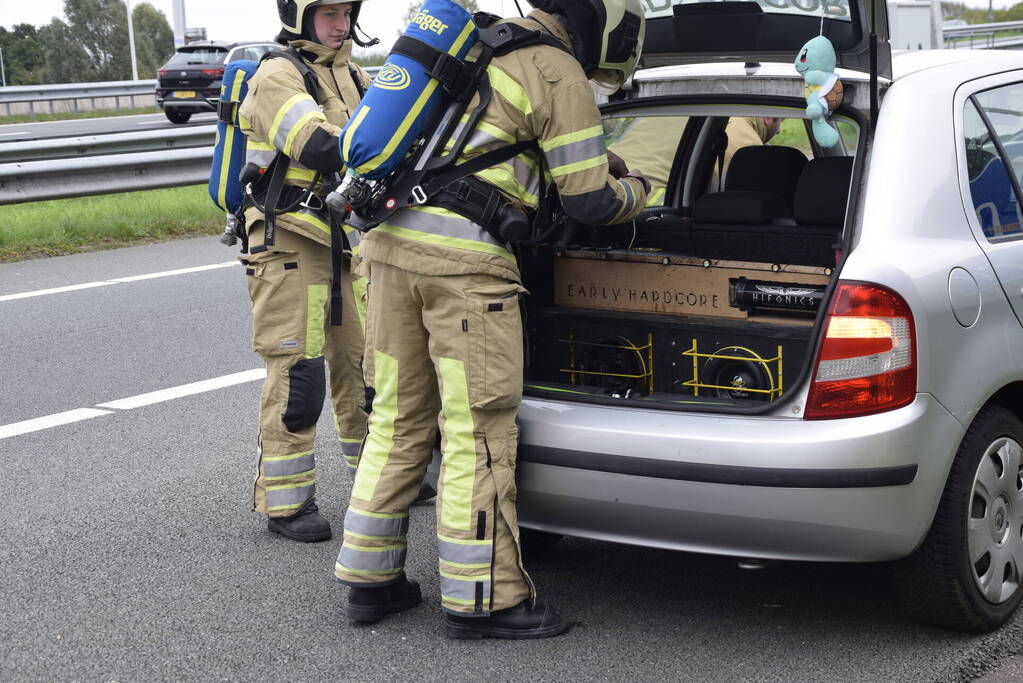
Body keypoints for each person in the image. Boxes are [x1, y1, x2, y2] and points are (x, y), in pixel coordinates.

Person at [332, 0, 649, 639]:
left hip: (388, 251)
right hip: (467, 269)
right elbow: (587, 198)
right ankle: (487, 599)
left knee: (396, 417)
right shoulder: (556, 68)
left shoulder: (477, 45)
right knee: (477, 427)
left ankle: (370, 580)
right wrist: (640, 190)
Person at [238, 0, 376, 543]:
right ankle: (286, 502)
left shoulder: (354, 74)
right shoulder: (278, 74)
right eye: (329, 14)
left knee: (365, 368)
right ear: (300, 16)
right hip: (290, 241)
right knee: (299, 373)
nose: (341, 24)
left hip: (343, 241)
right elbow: (318, 146)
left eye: (347, 12)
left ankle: (380, 483)